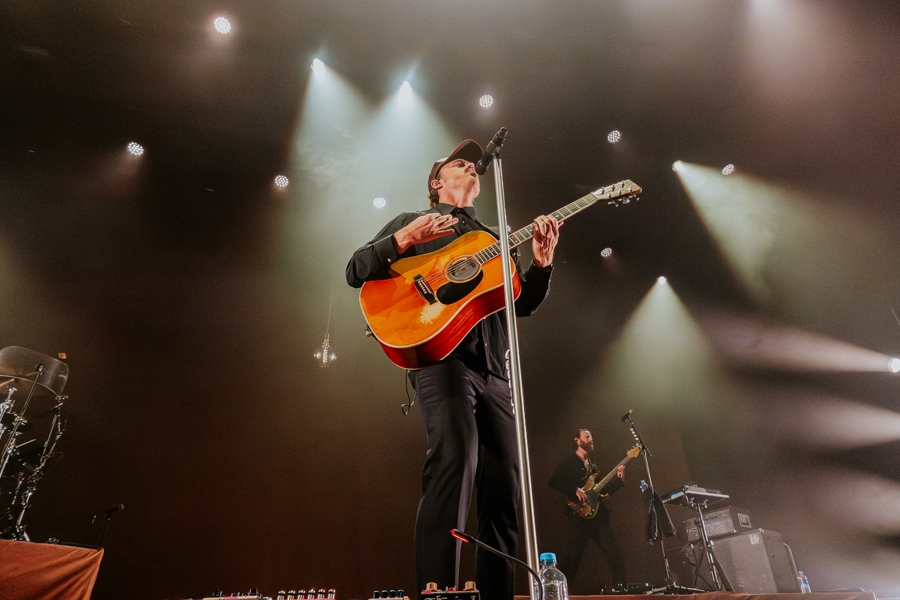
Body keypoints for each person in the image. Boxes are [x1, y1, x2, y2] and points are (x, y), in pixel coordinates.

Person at [346, 139, 561, 600]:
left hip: (494, 372)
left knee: (506, 488)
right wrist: (403, 239)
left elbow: (519, 304)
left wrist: (542, 267)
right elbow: (355, 269)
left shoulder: (494, 240)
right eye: (457, 162)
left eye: (473, 164)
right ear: (436, 182)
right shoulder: (413, 223)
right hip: (442, 361)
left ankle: (496, 593)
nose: (470, 165)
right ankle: (438, 590)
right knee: (455, 461)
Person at [548, 428, 627, 590]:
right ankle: (560, 593)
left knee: (615, 554)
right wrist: (574, 490)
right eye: (587, 436)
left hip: (598, 518)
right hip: (578, 517)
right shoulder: (569, 462)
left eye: (591, 437)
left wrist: (619, 481)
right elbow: (553, 482)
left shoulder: (594, 467)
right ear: (577, 440)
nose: (591, 439)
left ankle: (622, 590)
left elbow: (602, 495)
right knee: (572, 558)